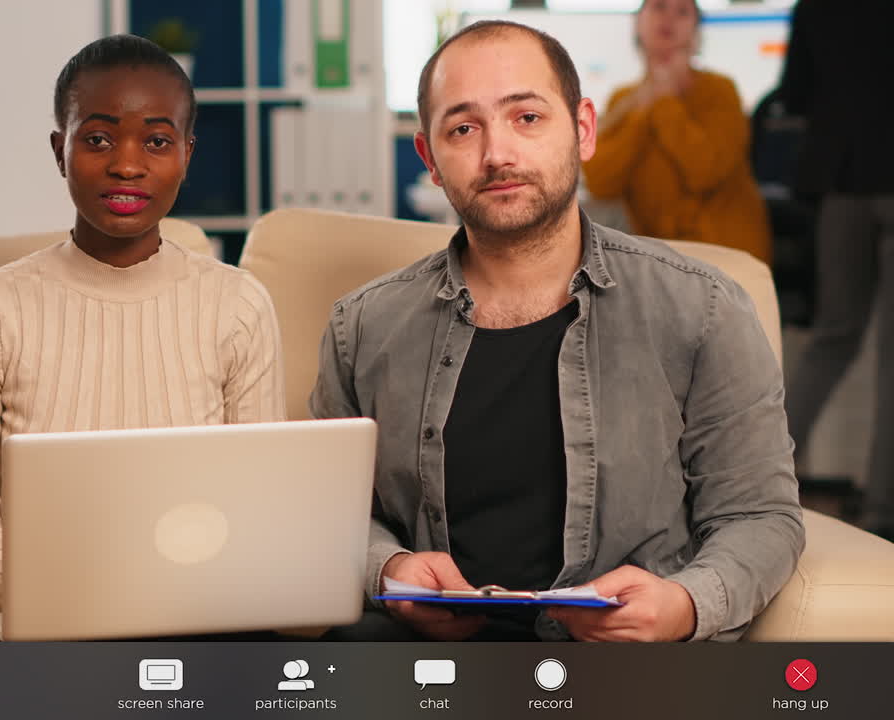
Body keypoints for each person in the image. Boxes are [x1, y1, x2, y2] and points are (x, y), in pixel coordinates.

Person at [311, 20, 803, 642]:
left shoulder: (702, 308)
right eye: (463, 129)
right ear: (429, 159)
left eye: (527, 118)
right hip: (425, 664)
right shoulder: (361, 326)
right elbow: (330, 514)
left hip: (624, 672)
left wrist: (684, 604)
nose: (497, 155)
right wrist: (392, 568)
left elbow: (761, 515)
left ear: (583, 129)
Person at [0, 35, 286, 613]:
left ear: (186, 156)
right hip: (48, 624)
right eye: (96, 138)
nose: (126, 164)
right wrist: (93, 587)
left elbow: (261, 506)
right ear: (58, 149)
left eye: (157, 141)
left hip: (199, 620)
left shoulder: (238, 305)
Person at [780, 0, 894, 542]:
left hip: (841, 175)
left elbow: (795, 91)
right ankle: (882, 514)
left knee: (832, 339)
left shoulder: (818, 6)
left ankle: (764, 483)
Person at [582, 0, 771, 264]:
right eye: (659, 7)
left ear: (696, 32)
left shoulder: (720, 91)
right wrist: (644, 109)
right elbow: (600, 182)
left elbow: (705, 172)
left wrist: (663, 103)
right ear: (638, 23)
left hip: (728, 258)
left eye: (682, 12)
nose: (669, 18)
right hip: (662, 262)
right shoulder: (623, 99)